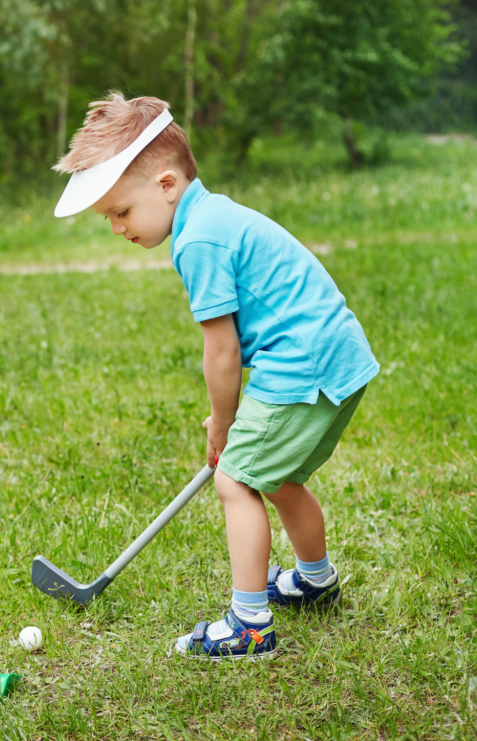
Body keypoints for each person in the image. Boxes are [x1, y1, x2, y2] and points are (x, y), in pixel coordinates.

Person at [53, 93, 378, 660]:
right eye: (108, 217)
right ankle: (314, 579)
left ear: (167, 184)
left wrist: (222, 424)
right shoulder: (212, 214)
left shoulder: (200, 239)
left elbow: (222, 351)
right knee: (276, 476)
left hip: (302, 366)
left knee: (235, 479)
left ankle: (250, 624)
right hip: (335, 359)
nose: (115, 228)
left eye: (120, 212)